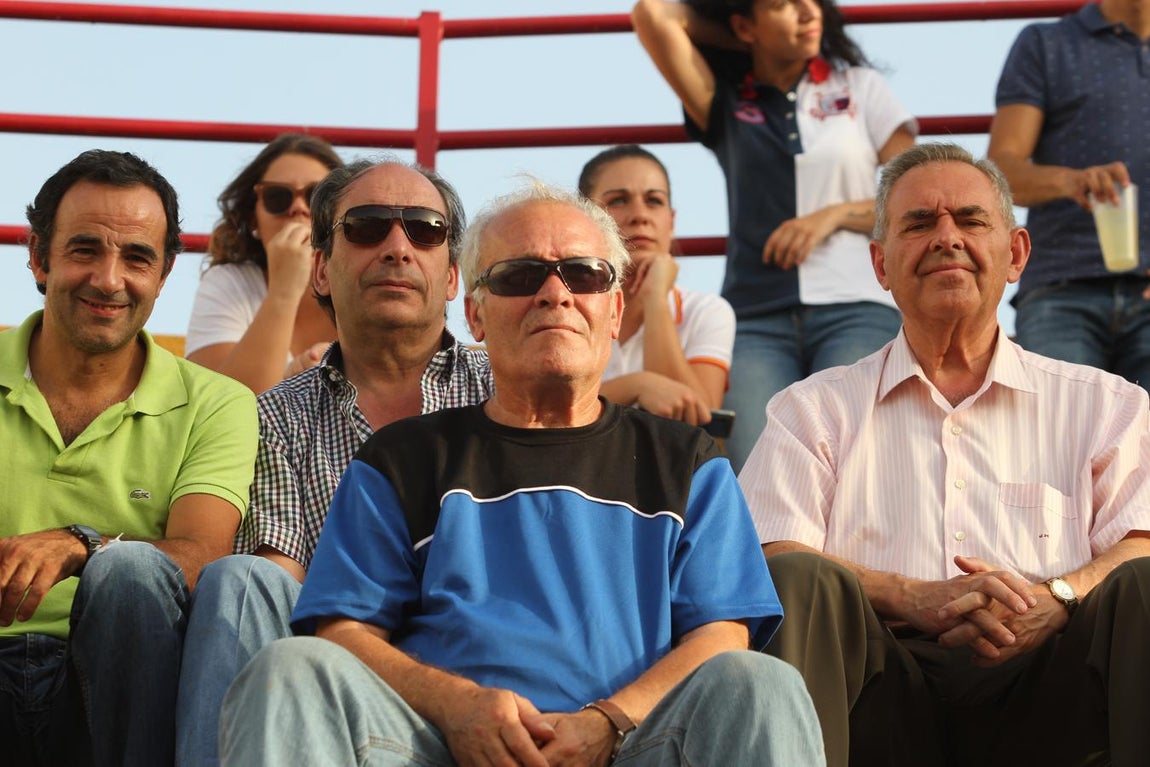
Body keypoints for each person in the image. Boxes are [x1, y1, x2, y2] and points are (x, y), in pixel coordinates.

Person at [218, 182, 825, 766]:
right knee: (289, 668)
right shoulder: (401, 459)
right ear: (476, 317)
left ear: (614, 309)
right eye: (520, 276)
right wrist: (459, 707)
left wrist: (606, 720)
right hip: (435, 743)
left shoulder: (687, 461)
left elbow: (722, 633)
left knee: (760, 682)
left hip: (635, 742)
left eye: (584, 274)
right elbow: (343, 628)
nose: (555, 293)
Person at [740, 142, 1150, 767]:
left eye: (970, 219)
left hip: (1050, 683)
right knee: (798, 580)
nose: (946, 238)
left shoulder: (1105, 404)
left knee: (1143, 585)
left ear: (1015, 254)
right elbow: (775, 552)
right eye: (919, 223)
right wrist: (909, 596)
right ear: (880, 264)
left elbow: (1141, 540)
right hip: (879, 686)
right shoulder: (812, 408)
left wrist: (1059, 598)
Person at [175, 157, 493, 767]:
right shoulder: (274, 417)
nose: (398, 247)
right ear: (320, 268)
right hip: (338, 689)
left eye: (424, 230)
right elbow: (277, 584)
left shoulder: (505, 389)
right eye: (368, 227)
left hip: (489, 684)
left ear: (453, 275)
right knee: (239, 581)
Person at [0, 149, 257, 766]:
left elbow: (203, 555)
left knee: (132, 574)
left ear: (164, 274)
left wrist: (83, 546)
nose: (109, 279)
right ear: (39, 257)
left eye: (137, 257)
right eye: (85, 249)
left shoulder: (217, 403)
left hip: (120, 682)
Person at [633, 0, 916, 470]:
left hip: (858, 305)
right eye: (784, 5)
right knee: (758, 468)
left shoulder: (860, 86)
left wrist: (830, 215)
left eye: (813, 1)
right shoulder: (724, 100)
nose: (808, 13)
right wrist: (751, 32)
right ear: (743, 23)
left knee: (855, 463)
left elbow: (915, 196)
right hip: (755, 316)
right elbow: (653, 13)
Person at [988, 0, 1150, 390]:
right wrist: (1072, 181)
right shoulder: (1046, 43)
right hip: (1061, 285)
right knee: (1058, 442)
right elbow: (1000, 173)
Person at [579, 144, 735, 427]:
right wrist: (636, 386)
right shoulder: (565, 305)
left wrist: (656, 300)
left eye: (654, 201)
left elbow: (698, 420)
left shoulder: (707, 311)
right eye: (618, 200)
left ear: (671, 221)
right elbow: (542, 406)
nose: (640, 215)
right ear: (586, 218)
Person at [186, 133, 343, 393]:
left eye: (317, 196)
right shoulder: (229, 282)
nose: (298, 208)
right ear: (253, 219)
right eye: (277, 197)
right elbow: (218, 407)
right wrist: (284, 290)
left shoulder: (363, 282)